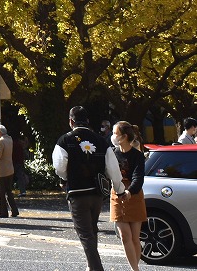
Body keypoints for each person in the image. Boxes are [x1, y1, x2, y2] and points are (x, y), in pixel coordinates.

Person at [53, 106, 109, 271]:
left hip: (77, 192)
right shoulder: (100, 140)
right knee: (92, 229)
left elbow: (59, 167)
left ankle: (96, 268)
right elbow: (111, 166)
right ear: (88, 121)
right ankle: (91, 266)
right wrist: (117, 187)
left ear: (71, 121)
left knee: (85, 233)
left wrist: (66, 177)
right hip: (97, 192)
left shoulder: (65, 140)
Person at [106, 121, 147, 271]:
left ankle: (135, 268)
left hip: (134, 195)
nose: (113, 136)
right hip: (117, 193)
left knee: (135, 238)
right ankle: (135, 269)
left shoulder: (137, 155)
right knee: (125, 236)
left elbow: (138, 177)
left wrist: (130, 191)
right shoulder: (111, 153)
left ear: (124, 137)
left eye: (115, 133)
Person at [0, 124, 19, 218]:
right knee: (8, 191)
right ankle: (14, 210)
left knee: (1, 192)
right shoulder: (9, 139)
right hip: (9, 169)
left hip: (1, 171)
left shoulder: (0, 142)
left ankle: (3, 212)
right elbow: (1, 140)